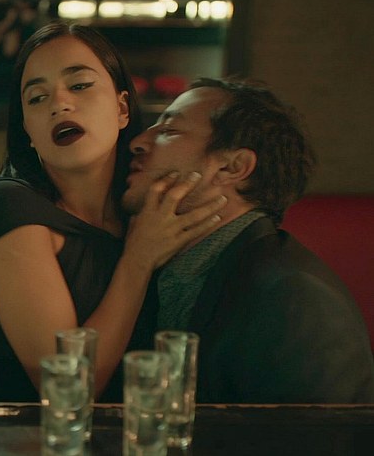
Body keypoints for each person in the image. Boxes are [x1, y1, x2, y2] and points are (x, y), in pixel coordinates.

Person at [0, 21, 227, 403]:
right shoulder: (7, 204)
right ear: (28, 131)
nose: (59, 104)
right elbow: (67, 388)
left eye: (80, 85)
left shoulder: (144, 212)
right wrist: (138, 260)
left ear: (122, 108)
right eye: (37, 98)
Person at [122, 77, 374, 403]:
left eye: (169, 130)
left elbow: (320, 432)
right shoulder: (160, 266)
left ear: (233, 167)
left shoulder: (293, 298)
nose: (138, 142)